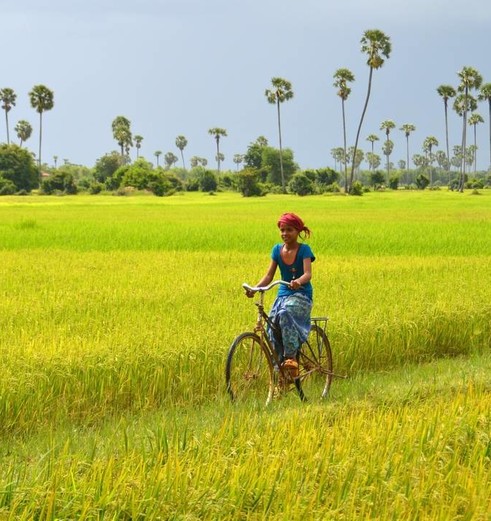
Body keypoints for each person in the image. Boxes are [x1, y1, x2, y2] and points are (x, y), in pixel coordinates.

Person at [246, 212, 315, 378]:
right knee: (272, 327)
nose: (285, 233)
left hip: (301, 295)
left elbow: (308, 274)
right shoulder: (277, 250)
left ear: (298, 231)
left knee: (285, 314)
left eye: (289, 230)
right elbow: (269, 275)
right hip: (283, 295)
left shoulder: (304, 250)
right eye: (282, 230)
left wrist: (299, 281)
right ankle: (280, 378)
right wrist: (255, 288)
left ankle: (291, 357)